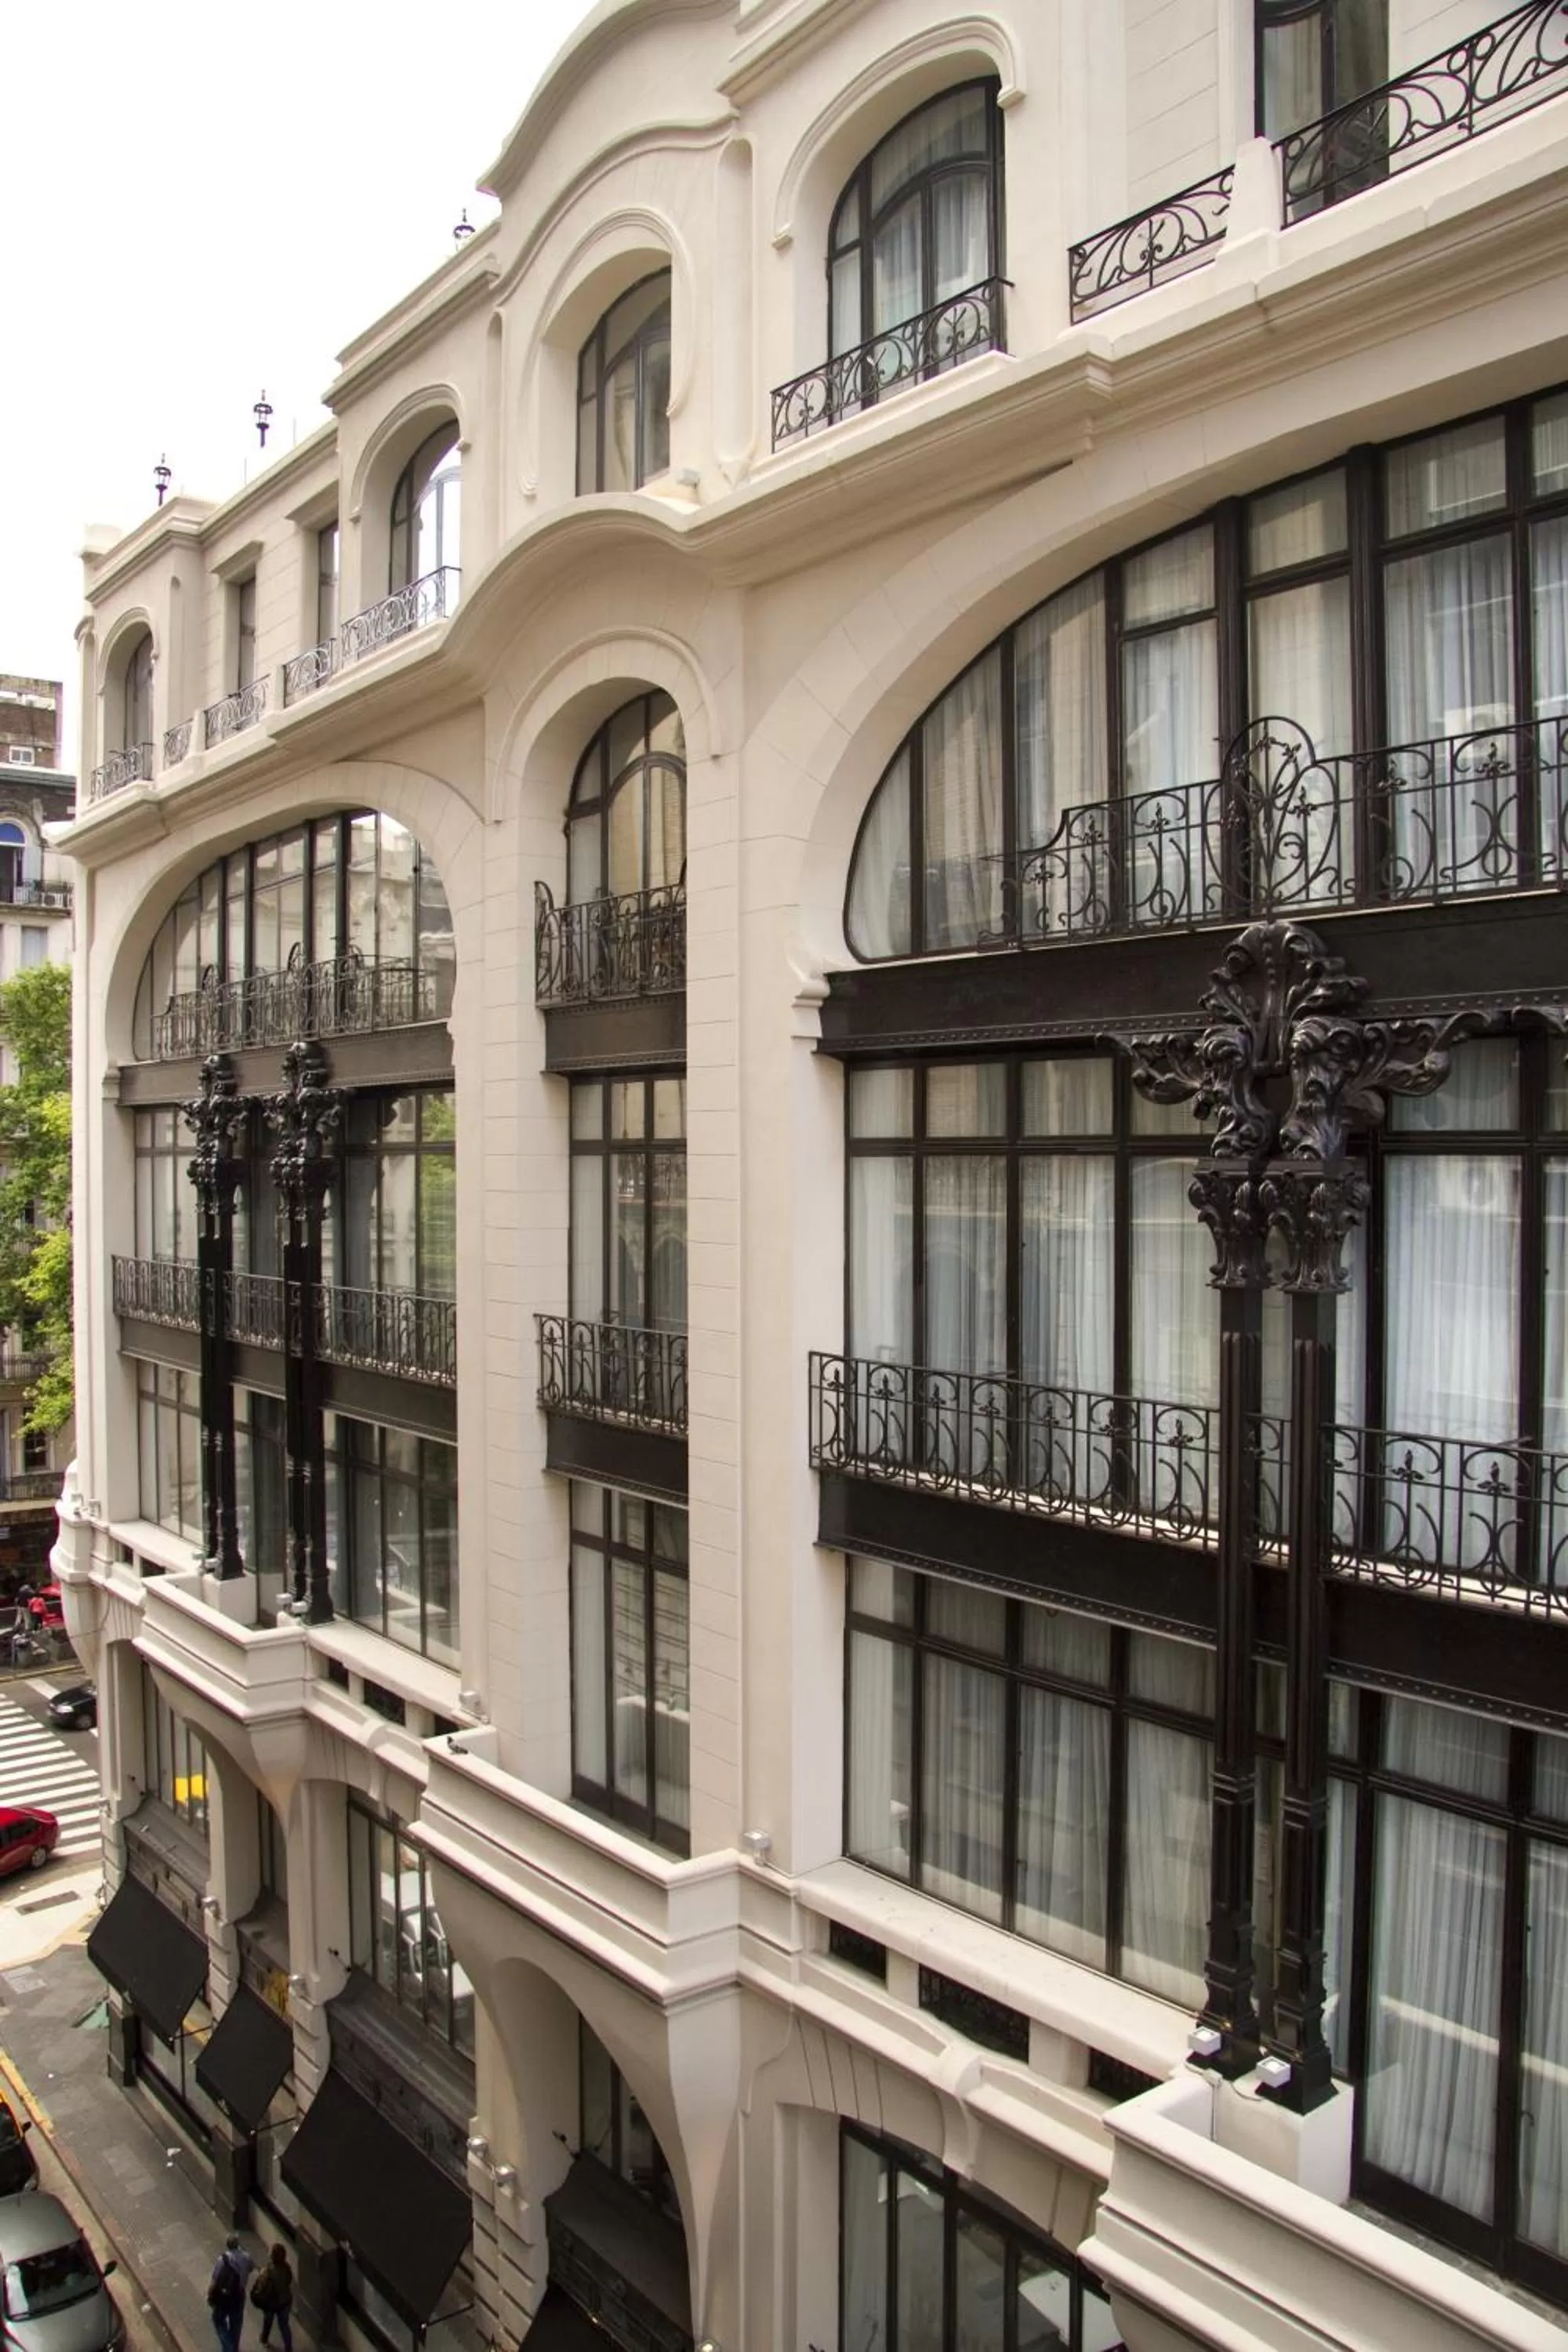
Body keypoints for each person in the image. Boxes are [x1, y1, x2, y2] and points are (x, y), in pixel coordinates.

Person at [208, 2234, 255, 2352]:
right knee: (236, 2327)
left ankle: (228, 2347)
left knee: (218, 2321)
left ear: (227, 2245)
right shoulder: (246, 2257)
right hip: (238, 2296)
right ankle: (233, 2349)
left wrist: (210, 2295)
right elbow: (251, 2268)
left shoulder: (222, 2260)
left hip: (223, 2297)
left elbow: (215, 2279)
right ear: (238, 2244)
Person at [252, 2243, 294, 2352]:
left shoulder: (269, 2270)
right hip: (285, 2301)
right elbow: (289, 2281)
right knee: (284, 2326)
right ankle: (288, 2348)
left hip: (271, 2302)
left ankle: (264, 2339)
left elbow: (261, 2286)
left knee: (268, 2321)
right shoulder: (287, 2268)